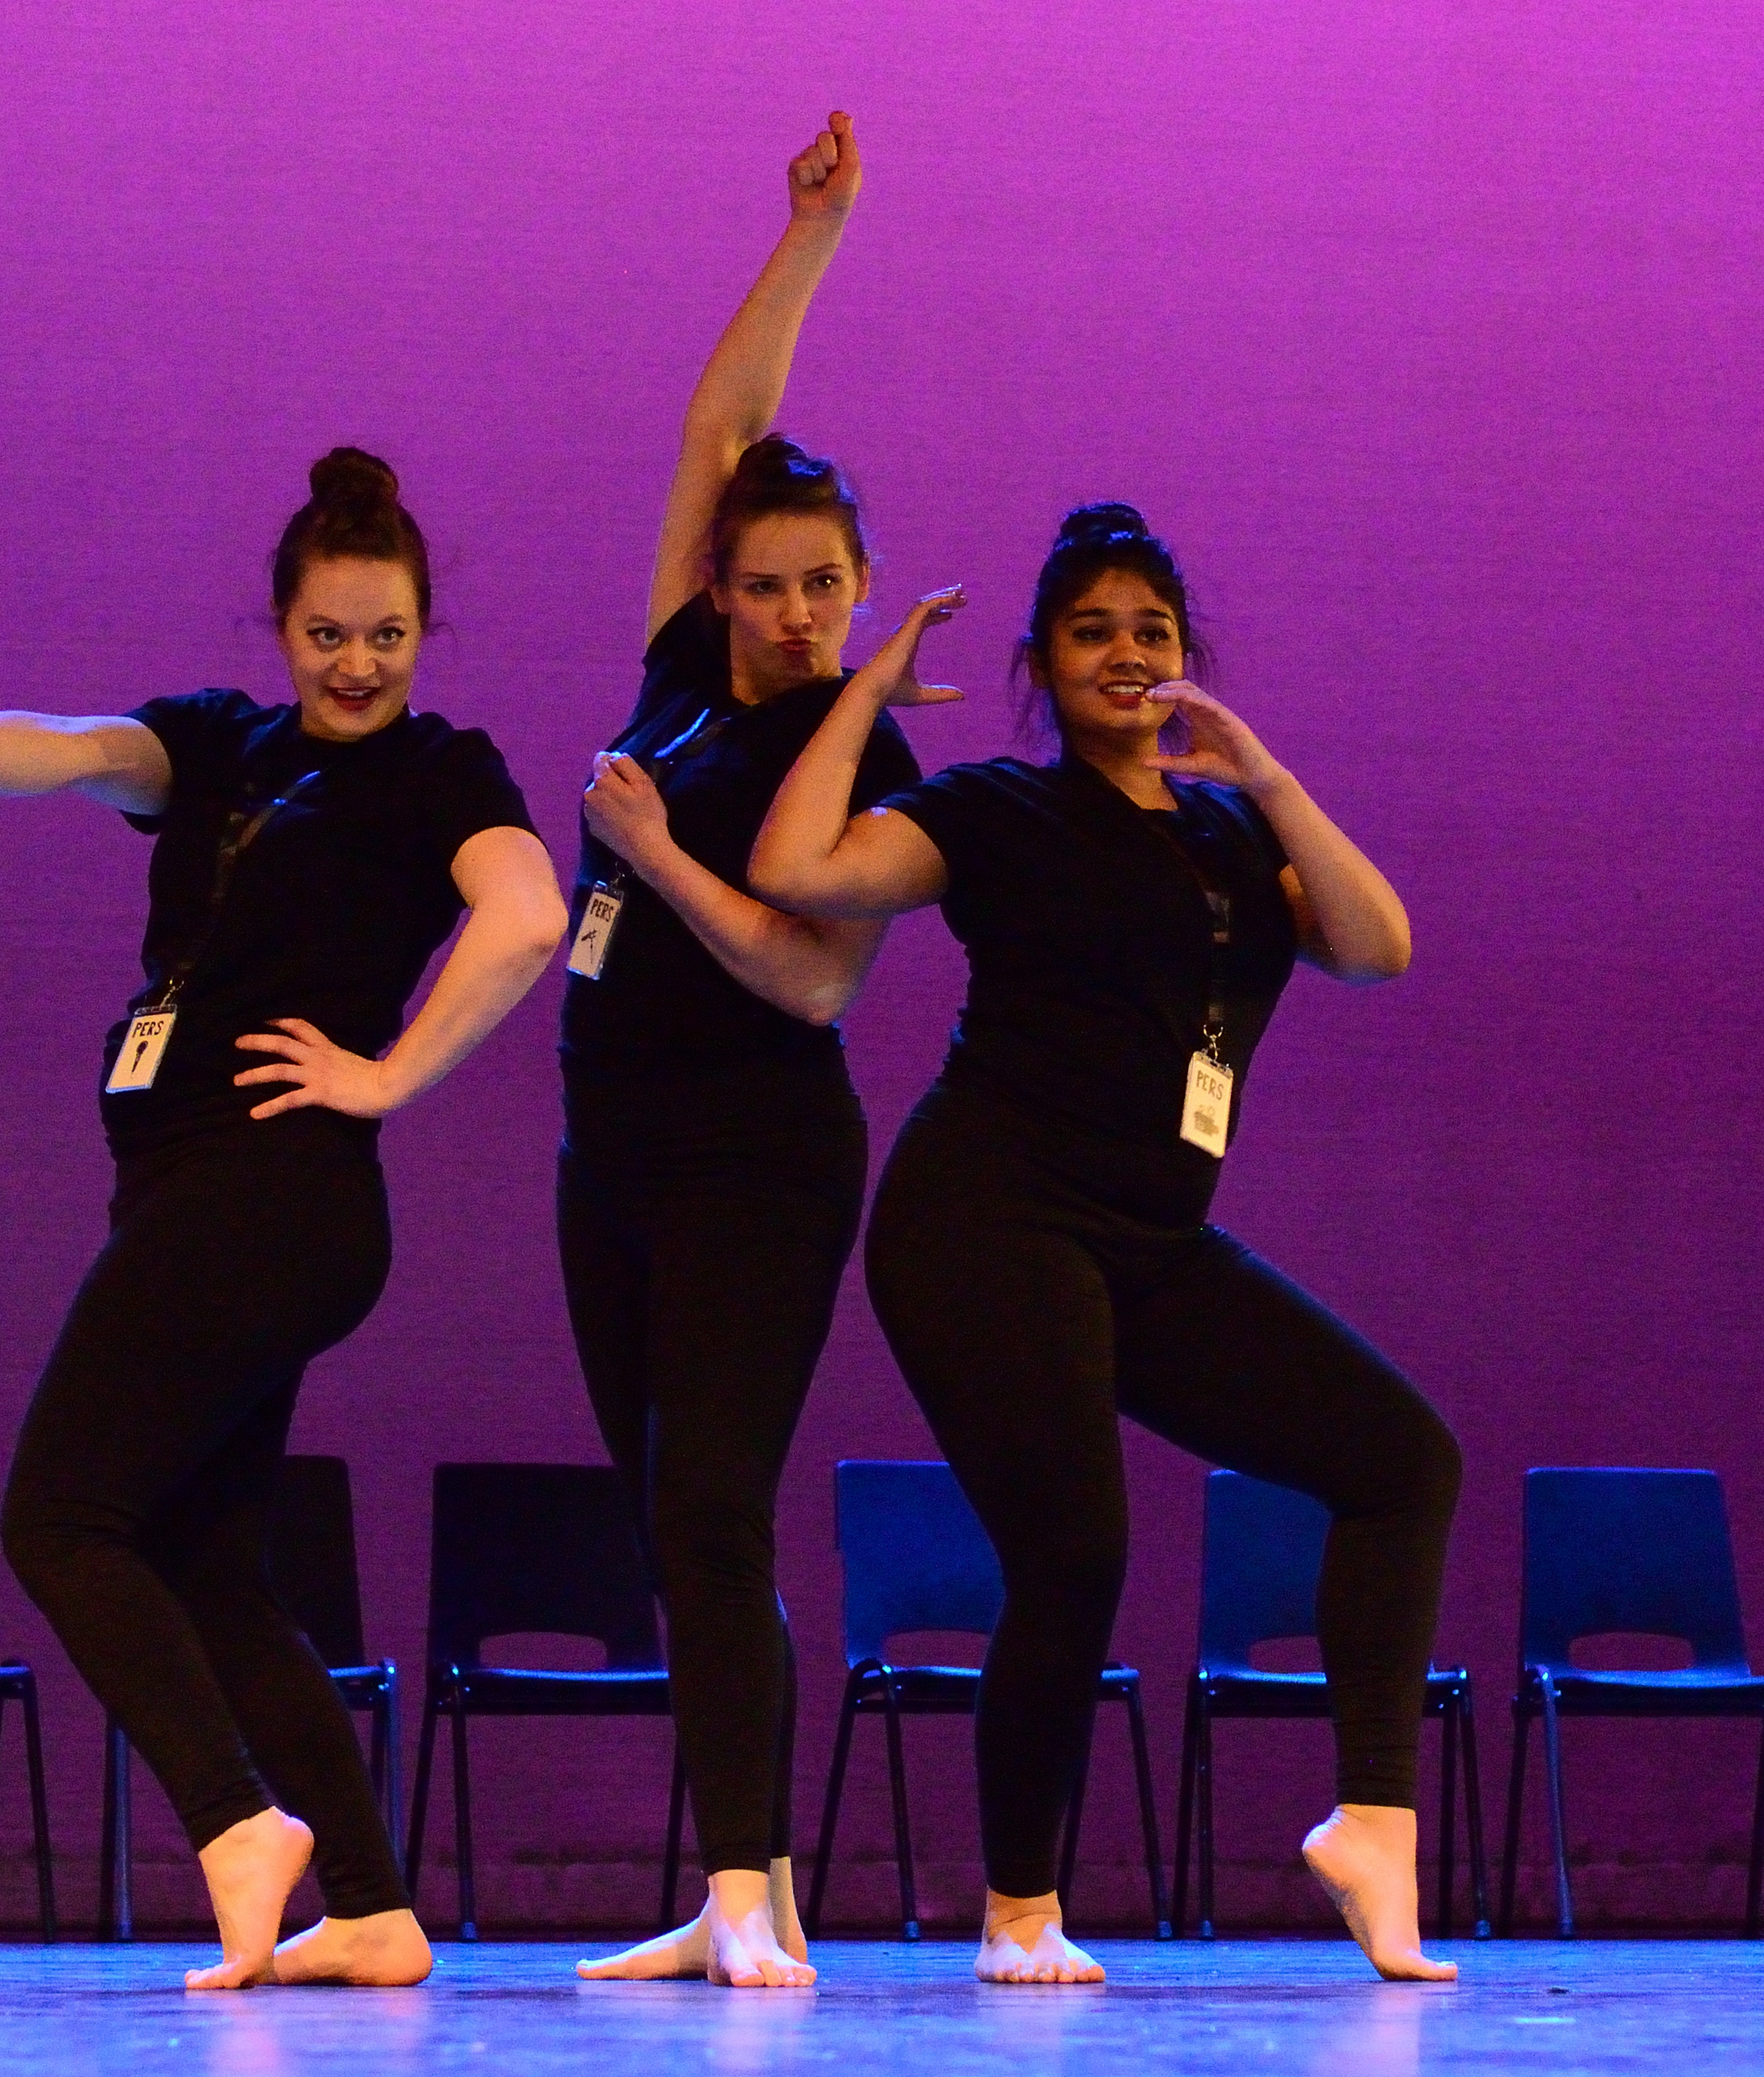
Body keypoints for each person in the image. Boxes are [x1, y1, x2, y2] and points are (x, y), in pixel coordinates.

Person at [0, 449, 566, 1989]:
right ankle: (372, 1907)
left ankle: (235, 1826)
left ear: (424, 636)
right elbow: (72, 749)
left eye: (388, 637)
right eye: (328, 634)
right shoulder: (222, 746)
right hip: (199, 1193)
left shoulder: (441, 773)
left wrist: (389, 1074)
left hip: (270, 1192)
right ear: (280, 627)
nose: (356, 665)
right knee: (210, 1564)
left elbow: (532, 912)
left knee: (57, 1518)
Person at [748, 506, 1464, 1985]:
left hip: (1151, 1240)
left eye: (1151, 631)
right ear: (1042, 663)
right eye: (1091, 632)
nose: (1125, 653)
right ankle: (1020, 1911)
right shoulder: (998, 810)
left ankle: (1372, 1826)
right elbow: (798, 866)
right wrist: (867, 690)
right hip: (986, 1219)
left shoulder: (1231, 835)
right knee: (1074, 1552)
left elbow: (1377, 944)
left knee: (1403, 1460)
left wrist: (1267, 776)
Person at [563, 112, 924, 1993]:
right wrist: (811, 237)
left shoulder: (869, 752)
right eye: (767, 582)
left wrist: (652, 857)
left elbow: (813, 983)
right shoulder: (676, 668)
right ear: (722, 585)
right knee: (671, 1517)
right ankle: (741, 1888)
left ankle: (744, 1890)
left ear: (859, 593)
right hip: (608, 1156)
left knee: (712, 1500)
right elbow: (721, 427)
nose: (793, 613)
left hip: (758, 1162)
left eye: (823, 587)